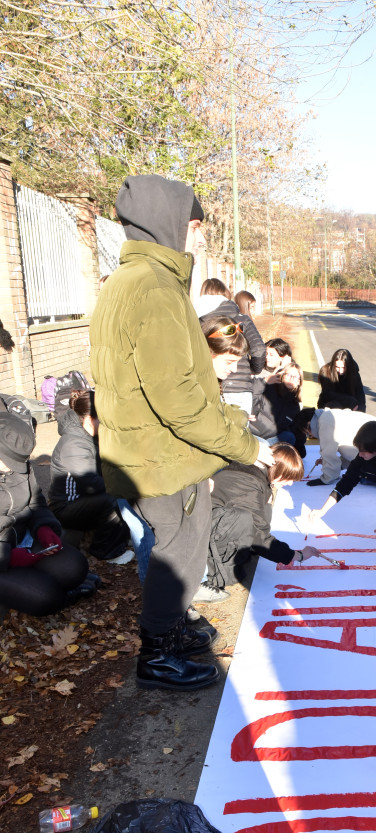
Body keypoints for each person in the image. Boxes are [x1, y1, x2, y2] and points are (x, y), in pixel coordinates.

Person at [90, 174, 274, 692]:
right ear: (171, 223)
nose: (198, 238)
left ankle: (170, 633)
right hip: (162, 454)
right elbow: (180, 399)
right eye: (195, 227)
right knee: (178, 554)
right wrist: (248, 446)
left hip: (147, 449)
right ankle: (158, 653)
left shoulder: (131, 280)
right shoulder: (154, 289)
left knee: (178, 546)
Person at [0, 404, 91, 615]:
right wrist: (9, 556)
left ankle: (28, 581)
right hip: (4, 553)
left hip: (21, 541)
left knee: (74, 568)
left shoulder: (19, 466)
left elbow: (36, 502)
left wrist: (44, 527)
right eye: (9, 462)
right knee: (46, 597)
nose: (15, 469)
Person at [207, 444, 320, 588]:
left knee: (264, 508)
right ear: (277, 469)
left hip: (214, 520)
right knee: (244, 520)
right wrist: (296, 555)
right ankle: (215, 576)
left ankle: (243, 551)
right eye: (288, 477)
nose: (291, 484)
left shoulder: (253, 472)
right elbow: (259, 535)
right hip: (205, 531)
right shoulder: (249, 486)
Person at [48, 389, 133, 563]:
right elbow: (89, 483)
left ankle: (123, 537)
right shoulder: (73, 443)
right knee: (113, 498)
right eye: (102, 420)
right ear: (88, 420)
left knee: (126, 491)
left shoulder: (89, 434)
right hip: (67, 505)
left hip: (85, 498)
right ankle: (106, 551)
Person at [196, 282, 266, 412]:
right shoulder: (241, 318)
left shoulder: (197, 320)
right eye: (230, 361)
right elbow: (259, 349)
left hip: (208, 388)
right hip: (241, 387)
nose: (234, 368)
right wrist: (252, 370)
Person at [294, 406, 376, 485]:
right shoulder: (328, 415)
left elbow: (328, 453)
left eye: (308, 433)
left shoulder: (325, 422)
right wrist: (337, 466)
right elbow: (349, 451)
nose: (311, 435)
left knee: (364, 477)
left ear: (308, 424)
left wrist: (326, 478)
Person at [250, 361, 303, 445]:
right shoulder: (269, 389)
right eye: (288, 375)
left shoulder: (295, 406)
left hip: (272, 439)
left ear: (299, 382)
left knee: (289, 436)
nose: (292, 378)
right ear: (282, 376)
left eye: (296, 376)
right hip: (254, 434)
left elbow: (294, 429)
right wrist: (265, 381)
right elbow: (251, 391)